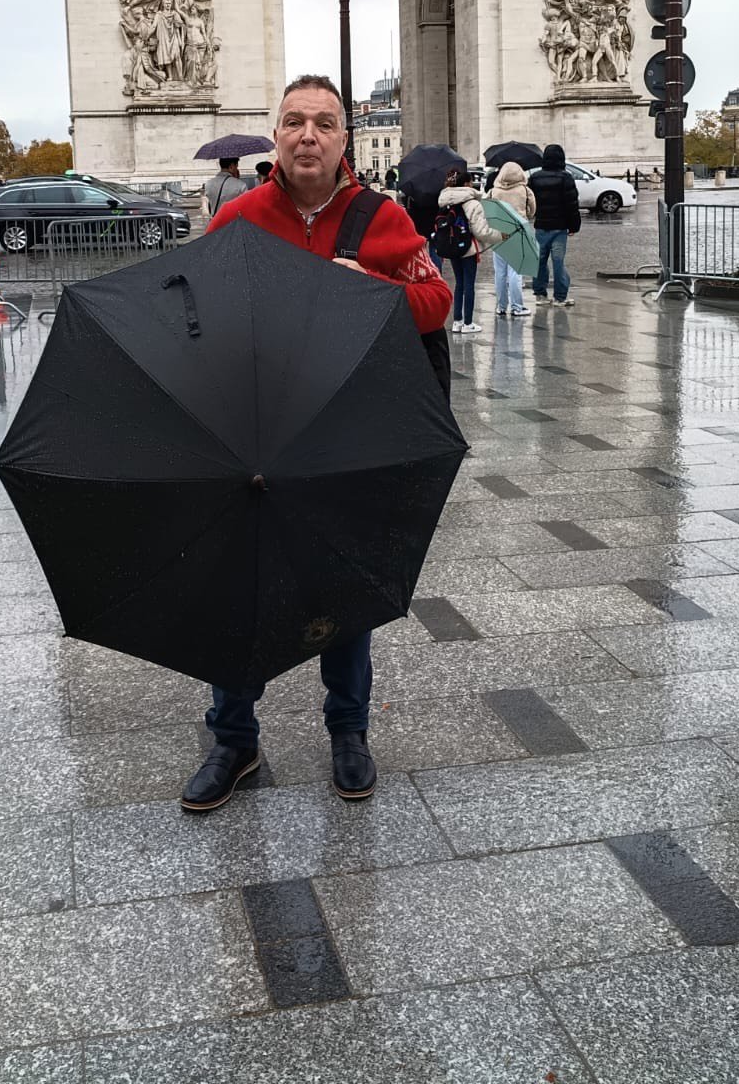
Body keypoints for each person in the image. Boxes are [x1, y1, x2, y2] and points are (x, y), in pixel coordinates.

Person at [181, 73, 452, 813]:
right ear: (276, 136)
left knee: (347, 592)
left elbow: (437, 300)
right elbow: (192, 316)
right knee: (237, 593)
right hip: (256, 432)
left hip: (348, 435)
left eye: (323, 123)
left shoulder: (384, 217)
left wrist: (371, 285)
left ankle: (348, 733)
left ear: (343, 140)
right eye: (294, 121)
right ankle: (233, 742)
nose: (308, 135)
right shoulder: (235, 219)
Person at [435, 168, 509, 335]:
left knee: (459, 284)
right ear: (467, 183)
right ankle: (468, 322)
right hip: (468, 249)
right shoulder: (473, 204)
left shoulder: (445, 201)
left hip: (452, 247)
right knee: (469, 284)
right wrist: (500, 235)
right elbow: (481, 232)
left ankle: (457, 321)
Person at [528, 143, 580, 307]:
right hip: (560, 227)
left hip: (541, 225)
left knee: (539, 262)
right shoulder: (566, 177)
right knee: (558, 262)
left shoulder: (535, 177)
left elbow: (531, 202)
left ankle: (540, 294)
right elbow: (572, 205)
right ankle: (560, 297)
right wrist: (574, 226)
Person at [490, 161, 536, 319]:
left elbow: (487, 210)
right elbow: (533, 209)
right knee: (516, 271)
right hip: (518, 232)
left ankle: (501, 306)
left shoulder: (494, 191)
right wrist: (526, 215)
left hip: (498, 233)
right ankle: (517, 306)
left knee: (500, 273)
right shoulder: (524, 189)